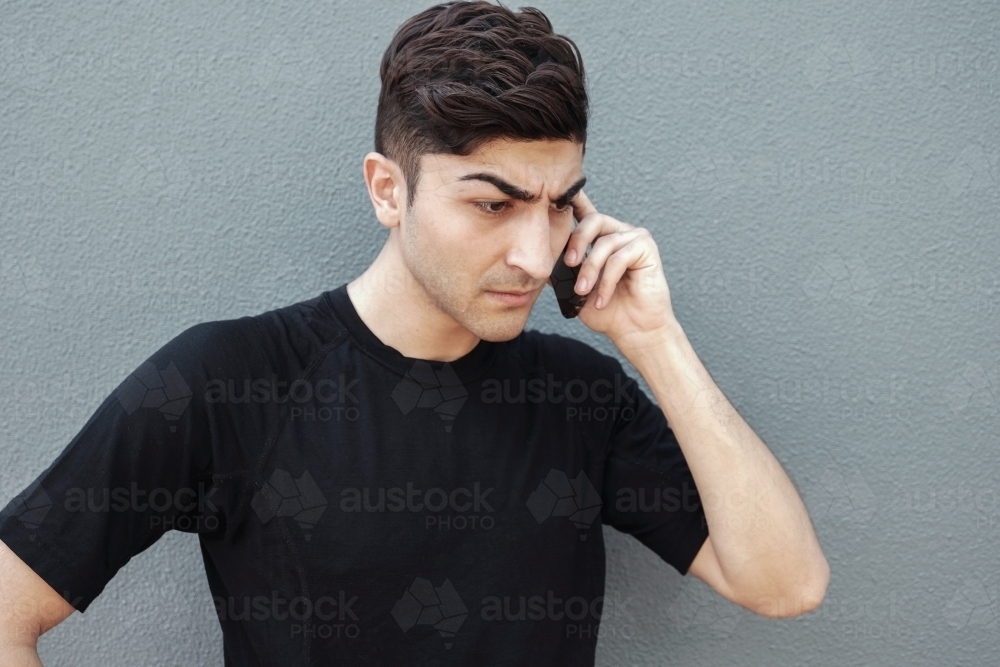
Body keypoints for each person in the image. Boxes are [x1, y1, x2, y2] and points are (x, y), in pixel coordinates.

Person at [0, 1, 829, 665]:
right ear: (388, 191)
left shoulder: (582, 396)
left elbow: (784, 583)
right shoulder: (225, 381)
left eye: (559, 203)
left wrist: (652, 336)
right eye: (493, 203)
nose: (536, 253)